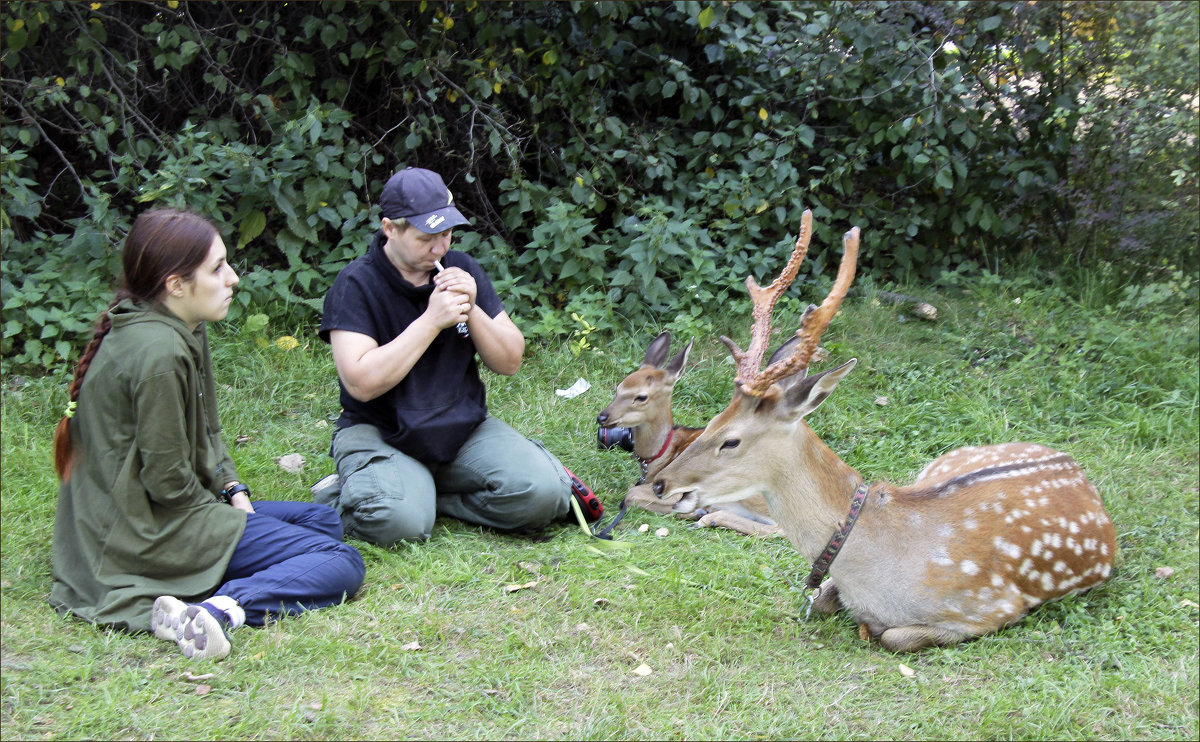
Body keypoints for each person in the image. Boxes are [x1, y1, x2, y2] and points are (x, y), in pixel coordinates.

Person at [49, 208, 365, 662]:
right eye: (216, 268)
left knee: (323, 523)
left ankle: (195, 587)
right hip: (144, 532)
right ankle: (217, 610)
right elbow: (168, 483)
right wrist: (229, 526)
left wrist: (233, 490)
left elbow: (209, 432)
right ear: (176, 284)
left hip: (151, 515)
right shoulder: (158, 353)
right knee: (342, 562)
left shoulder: (175, 324)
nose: (233, 278)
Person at [314, 167, 602, 546]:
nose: (439, 248)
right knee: (398, 526)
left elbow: (510, 361)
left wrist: (473, 310)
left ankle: (421, 496)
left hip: (460, 426)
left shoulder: (461, 269)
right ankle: (363, 493)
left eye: (446, 234)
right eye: (425, 238)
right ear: (390, 228)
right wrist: (431, 321)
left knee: (544, 496)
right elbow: (361, 384)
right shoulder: (355, 284)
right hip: (382, 431)